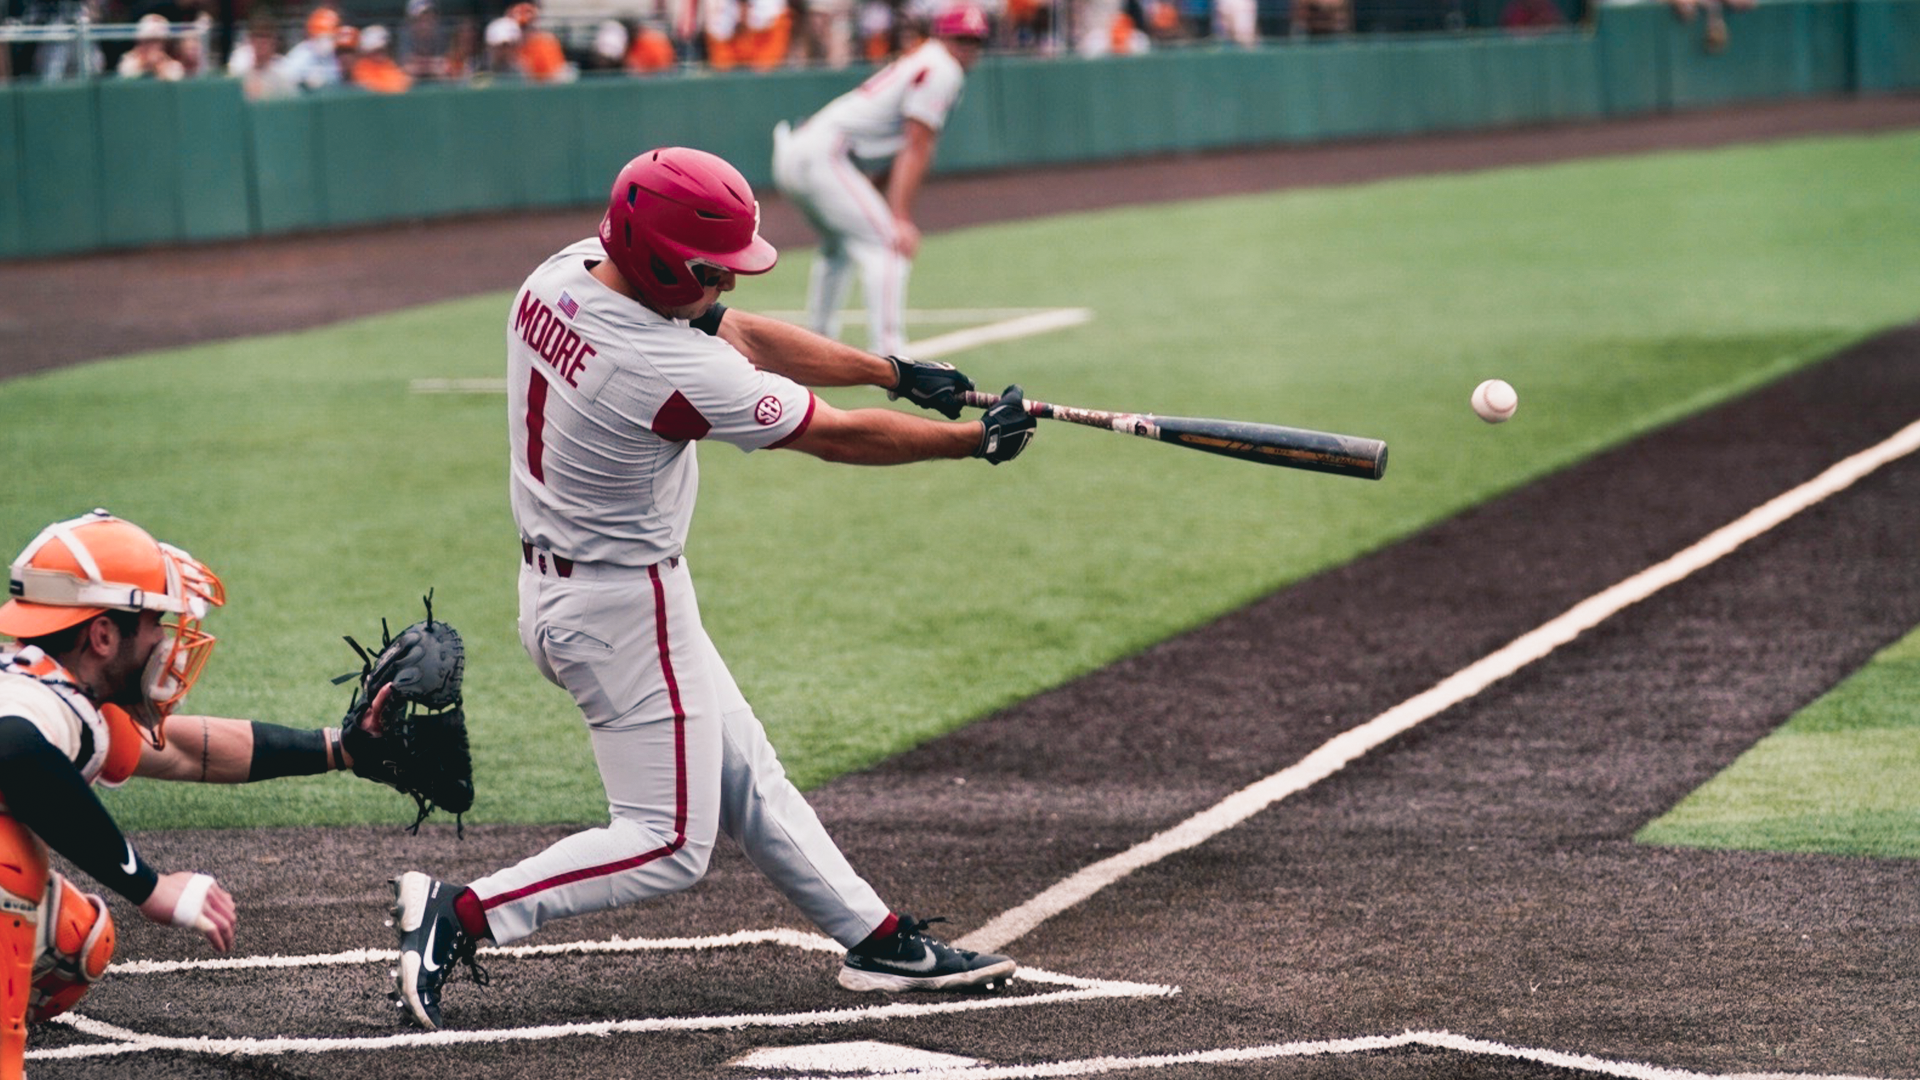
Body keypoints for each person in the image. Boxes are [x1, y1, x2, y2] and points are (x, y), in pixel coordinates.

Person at [387, 145, 1035, 1031]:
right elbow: (839, 438)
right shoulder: (661, 368)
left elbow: (737, 331)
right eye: (711, 270)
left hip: (576, 592)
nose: (725, 286)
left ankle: (876, 939)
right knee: (666, 844)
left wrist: (895, 371)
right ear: (661, 261)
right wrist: (975, 443)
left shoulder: (565, 273)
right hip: (623, 608)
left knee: (745, 772)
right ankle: (463, 913)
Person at [0, 510, 406, 1078]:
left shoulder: (52, 692)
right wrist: (149, 886)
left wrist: (343, 748)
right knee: (9, 867)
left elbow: (192, 751)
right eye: (154, 622)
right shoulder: (32, 709)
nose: (166, 641)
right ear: (101, 634)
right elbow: (14, 751)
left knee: (75, 939)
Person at [770, 2, 988, 359]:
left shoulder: (926, 60)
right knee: (888, 245)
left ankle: (813, 347)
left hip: (799, 151)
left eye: (975, 40)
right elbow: (916, 144)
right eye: (961, 38)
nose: (968, 47)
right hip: (825, 154)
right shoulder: (942, 68)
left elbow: (899, 146)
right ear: (942, 35)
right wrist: (899, 216)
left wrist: (875, 194)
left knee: (837, 247)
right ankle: (891, 357)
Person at [116, 13, 187, 79]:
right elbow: (125, 79)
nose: (152, 45)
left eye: (157, 41)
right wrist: (143, 64)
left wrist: (159, 68)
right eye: (148, 41)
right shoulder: (128, 61)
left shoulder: (173, 65)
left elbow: (176, 79)